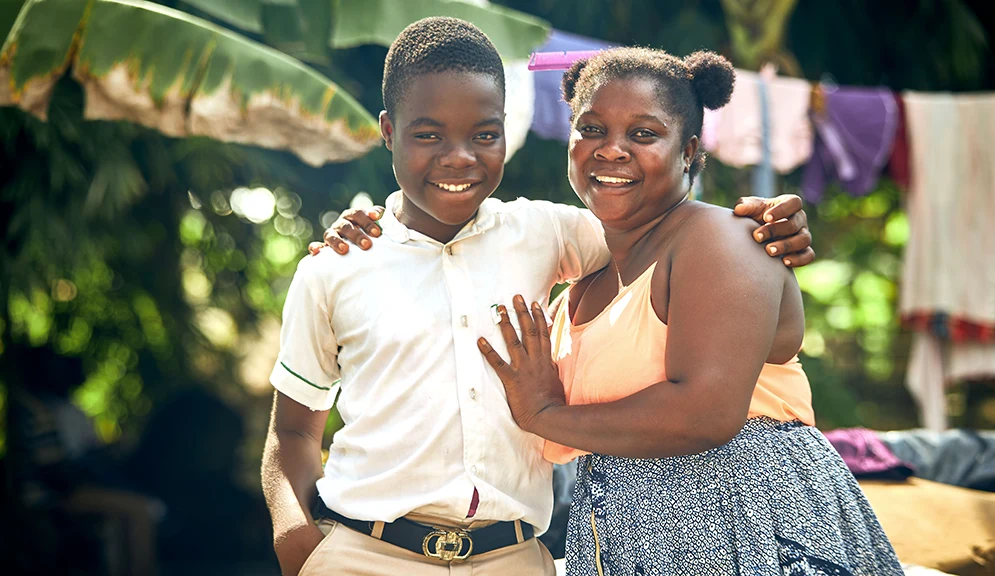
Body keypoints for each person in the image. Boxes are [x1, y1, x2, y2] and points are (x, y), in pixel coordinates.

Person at [262, 17, 812, 576]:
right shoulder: (339, 265)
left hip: (524, 554)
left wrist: (766, 229)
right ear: (388, 131)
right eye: (428, 135)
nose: (458, 157)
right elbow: (293, 428)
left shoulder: (547, 233)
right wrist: (295, 539)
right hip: (366, 552)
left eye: (484, 135)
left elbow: (664, 233)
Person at [476, 48, 903, 575]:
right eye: (591, 129)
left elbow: (704, 413)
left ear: (688, 151)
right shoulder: (584, 282)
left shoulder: (722, 239)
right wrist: (364, 233)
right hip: (620, 539)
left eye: (643, 134)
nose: (610, 150)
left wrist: (545, 414)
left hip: (744, 527)